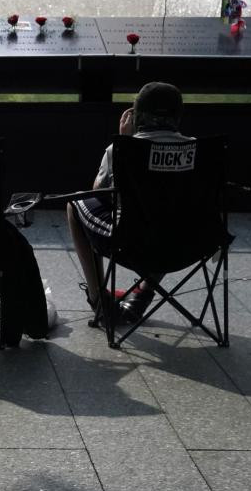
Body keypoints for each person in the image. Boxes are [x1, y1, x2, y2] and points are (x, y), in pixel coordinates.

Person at [67, 82, 189, 325]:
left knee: (74, 205)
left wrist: (125, 142)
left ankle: (99, 301)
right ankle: (142, 294)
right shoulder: (198, 149)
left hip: (131, 244)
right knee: (170, 214)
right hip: (189, 244)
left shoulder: (121, 149)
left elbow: (99, 193)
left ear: (137, 115)